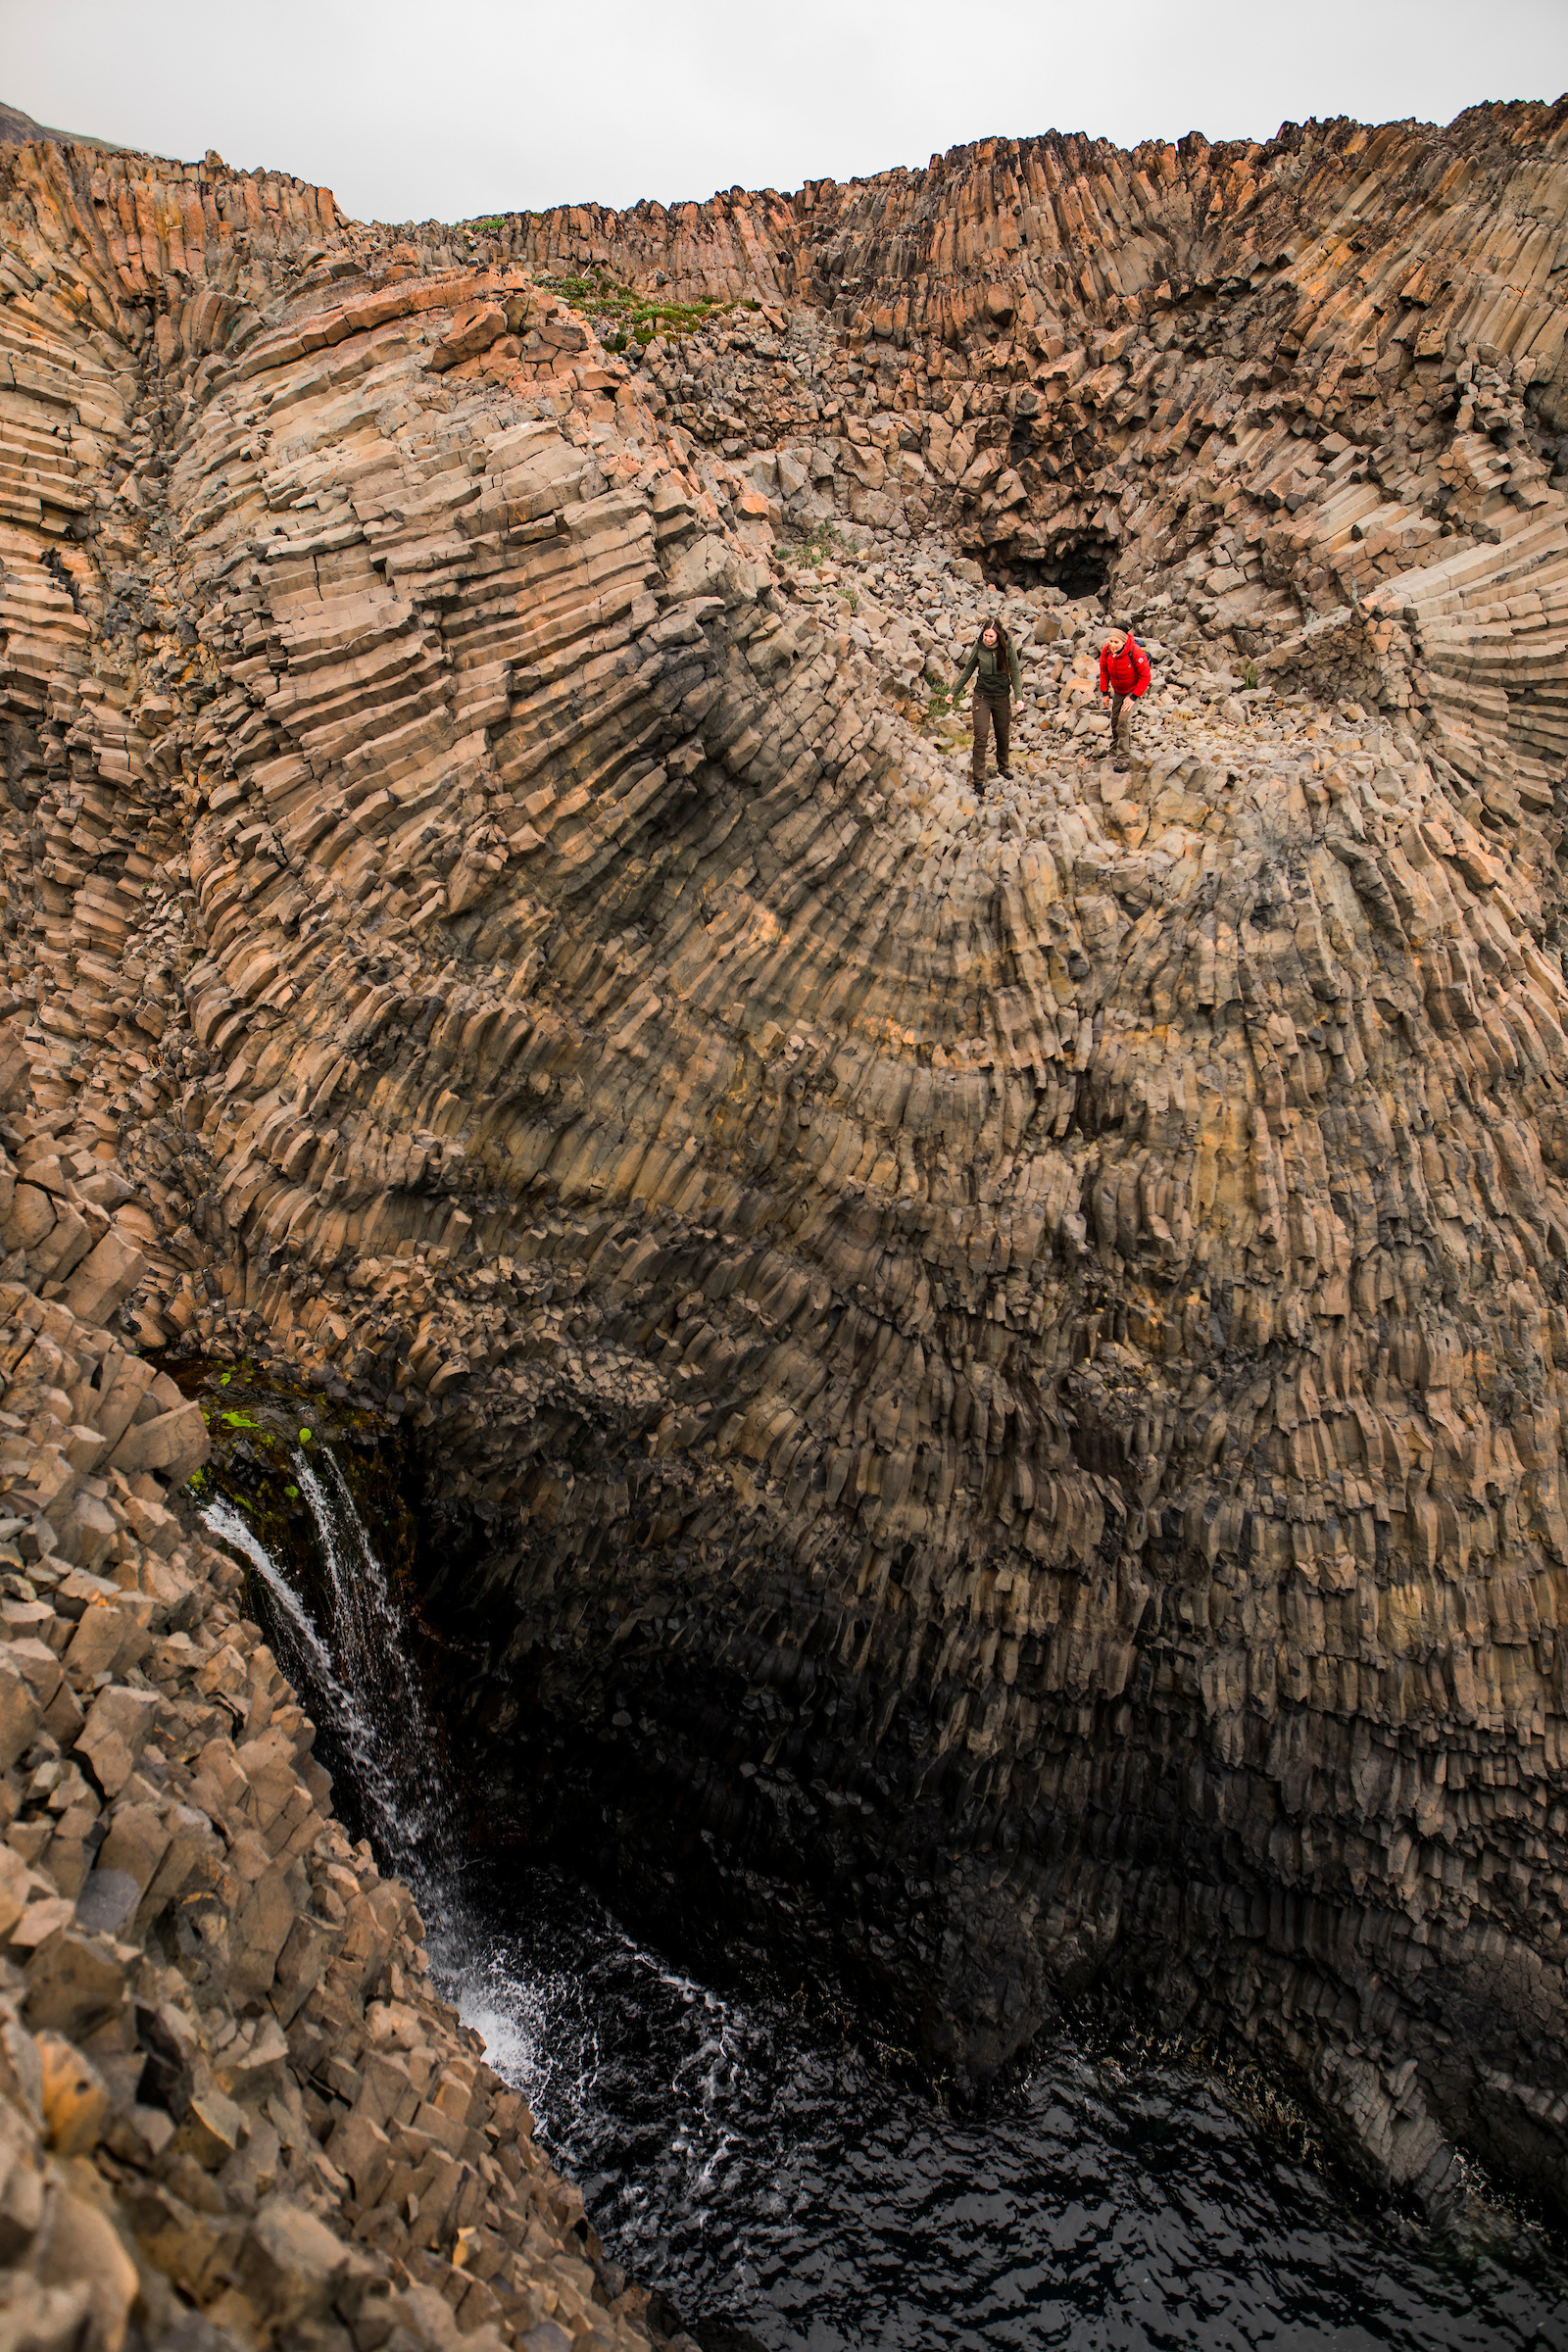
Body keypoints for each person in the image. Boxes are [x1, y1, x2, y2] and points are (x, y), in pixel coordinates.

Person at [950, 616, 1021, 792]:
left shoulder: (1008, 647)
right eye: (985, 636)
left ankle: (1003, 767)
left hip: (1002, 697)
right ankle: (979, 779)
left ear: (997, 635)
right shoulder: (979, 647)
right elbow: (968, 669)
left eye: (991, 636)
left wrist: (1019, 697)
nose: (988, 639)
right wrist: (953, 692)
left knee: (1002, 735)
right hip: (982, 697)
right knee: (981, 737)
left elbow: (1016, 672)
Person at [1098, 623, 1152, 764]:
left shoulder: (1136, 652)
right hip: (1118, 690)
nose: (1112, 645)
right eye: (1111, 641)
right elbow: (1104, 671)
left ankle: (1124, 757)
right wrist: (1105, 693)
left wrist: (1133, 697)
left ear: (1124, 642)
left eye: (1116, 642)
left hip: (1133, 690)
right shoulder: (1107, 650)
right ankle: (1115, 749)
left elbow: (1145, 677)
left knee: (1123, 721)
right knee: (1115, 720)